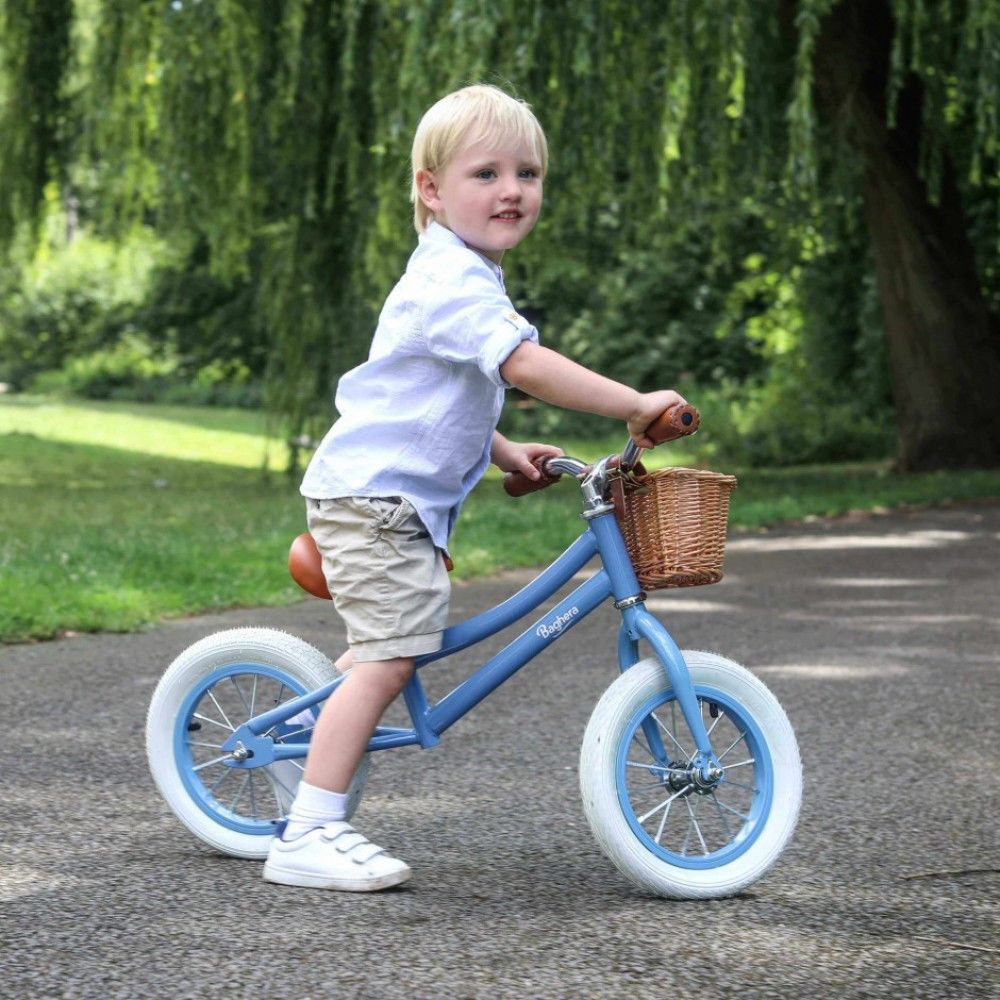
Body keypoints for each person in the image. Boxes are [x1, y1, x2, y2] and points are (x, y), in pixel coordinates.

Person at [263, 84, 685, 891]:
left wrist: (503, 450)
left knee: (389, 650)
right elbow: (520, 365)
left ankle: (317, 741)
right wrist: (634, 404)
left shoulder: (468, 276)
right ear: (431, 190)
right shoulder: (450, 278)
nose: (511, 190)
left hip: (392, 500)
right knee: (391, 659)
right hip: (373, 504)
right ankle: (308, 833)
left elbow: (435, 396)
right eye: (485, 173)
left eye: (527, 173)